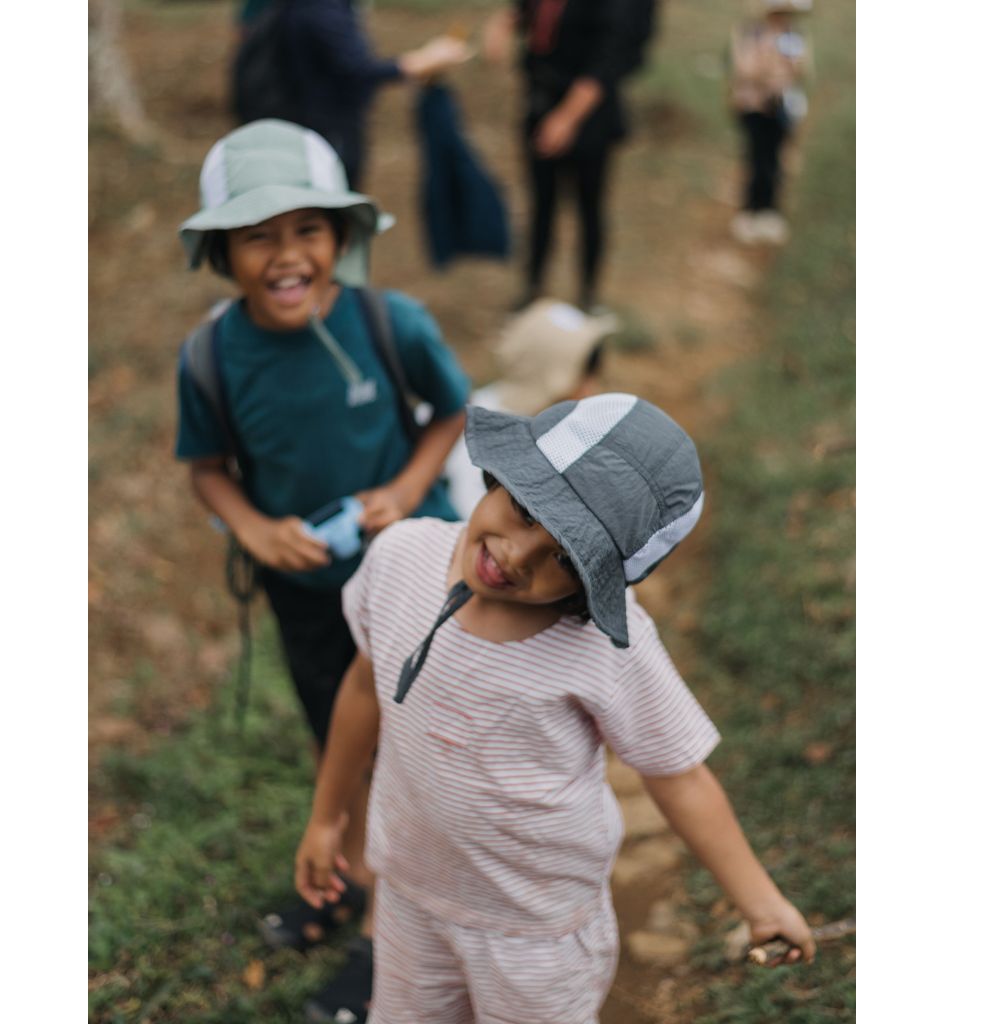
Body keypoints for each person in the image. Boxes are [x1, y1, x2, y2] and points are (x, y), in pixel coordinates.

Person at [295, 393, 816, 1022]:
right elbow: (361, 687)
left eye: (566, 558)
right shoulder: (400, 557)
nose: (517, 555)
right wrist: (327, 820)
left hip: (534, 932)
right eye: (523, 508)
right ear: (499, 474)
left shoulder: (603, 651)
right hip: (408, 892)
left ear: (594, 586)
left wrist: (759, 902)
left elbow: (677, 776)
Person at [174, 118, 470, 1022]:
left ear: (343, 237)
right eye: (258, 236)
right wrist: (257, 531)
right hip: (305, 594)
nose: (286, 255)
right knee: (334, 740)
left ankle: (389, 941)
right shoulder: (211, 356)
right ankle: (339, 877)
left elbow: (450, 412)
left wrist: (405, 488)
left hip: (412, 581)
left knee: (406, 761)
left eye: (307, 230)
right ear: (223, 252)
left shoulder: (392, 322)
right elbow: (208, 470)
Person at [484, 0, 638, 313]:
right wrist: (502, 28)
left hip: (589, 117)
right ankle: (534, 285)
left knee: (589, 207)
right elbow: (523, 16)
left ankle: (588, 293)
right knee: (542, 204)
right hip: (541, 105)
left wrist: (567, 119)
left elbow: (606, 63)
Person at [240, 0, 469, 190]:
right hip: (325, 129)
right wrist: (423, 61)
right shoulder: (321, 9)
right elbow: (357, 69)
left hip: (310, 123)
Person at [443, 298, 617, 518]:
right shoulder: (481, 442)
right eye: (585, 376)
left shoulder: (548, 424)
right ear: (556, 379)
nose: (593, 388)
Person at [728, 0, 813, 246]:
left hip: (781, 108)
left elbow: (800, 69)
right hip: (753, 106)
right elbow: (743, 68)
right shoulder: (750, 33)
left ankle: (769, 211)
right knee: (755, 158)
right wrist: (770, 73)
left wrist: (778, 74)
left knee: (774, 159)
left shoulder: (794, 38)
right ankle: (750, 210)